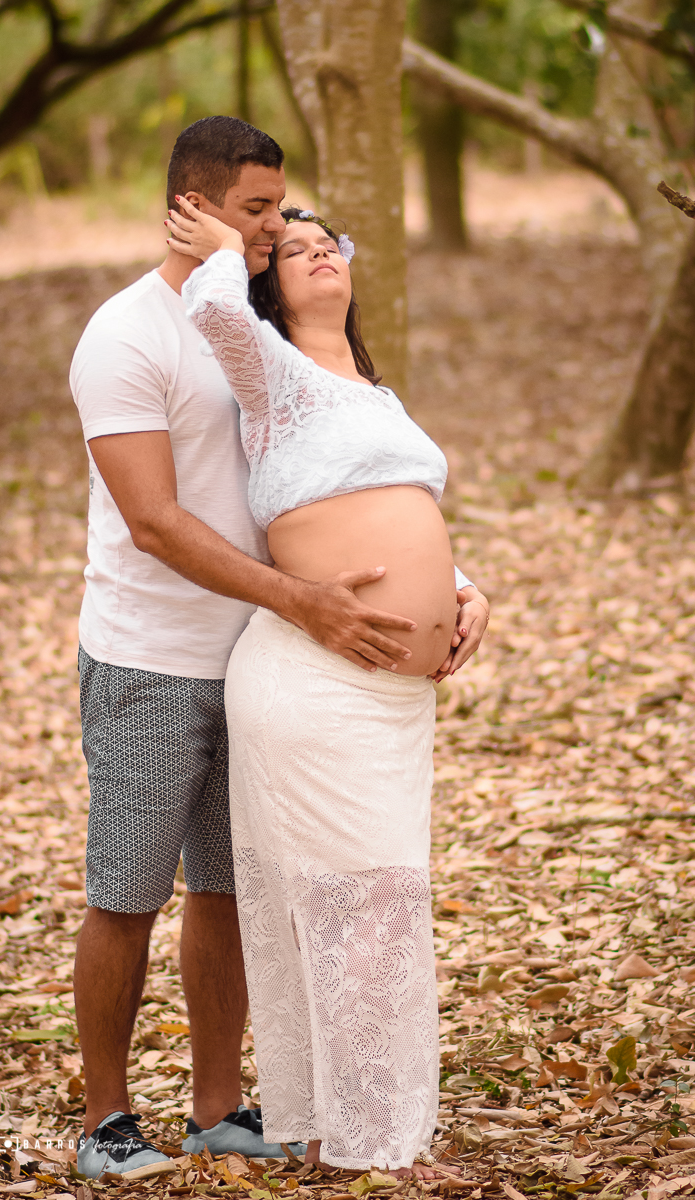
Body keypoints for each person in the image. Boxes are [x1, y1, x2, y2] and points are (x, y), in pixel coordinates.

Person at [164, 196, 490, 1175]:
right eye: (291, 251)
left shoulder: (372, 392)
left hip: (396, 701)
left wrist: (462, 589)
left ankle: (355, 1126)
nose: (314, 259)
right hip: (312, 676)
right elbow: (217, 314)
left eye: (325, 247)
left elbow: (395, 499)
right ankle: (353, 1137)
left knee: (382, 899)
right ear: (269, 281)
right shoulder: (272, 372)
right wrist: (231, 248)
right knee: (347, 899)